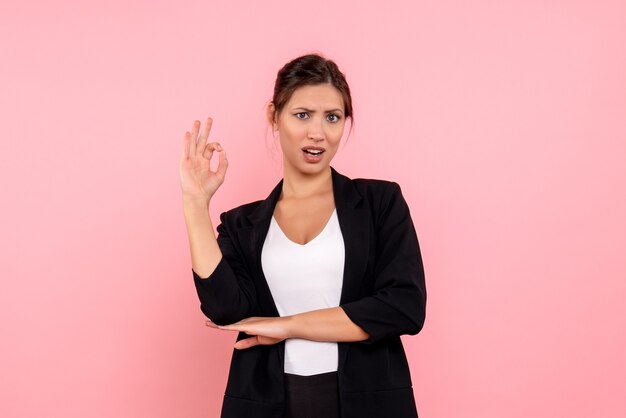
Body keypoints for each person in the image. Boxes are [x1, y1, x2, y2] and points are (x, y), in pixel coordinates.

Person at [179, 53, 427, 418]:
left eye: (332, 117)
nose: (318, 133)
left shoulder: (380, 202)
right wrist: (195, 204)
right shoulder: (242, 224)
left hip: (369, 401)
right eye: (302, 115)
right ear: (273, 116)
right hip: (269, 404)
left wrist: (289, 326)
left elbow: (404, 306)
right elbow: (225, 309)